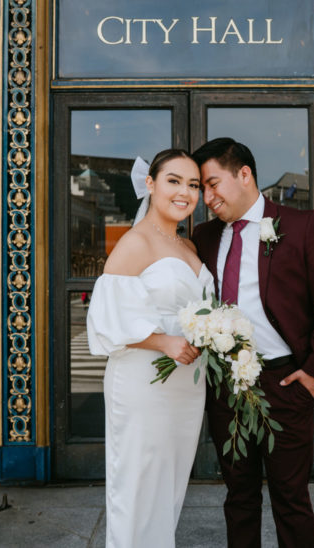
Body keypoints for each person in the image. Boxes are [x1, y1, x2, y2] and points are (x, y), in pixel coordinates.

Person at [191, 138, 314, 548]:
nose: (206, 198)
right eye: (201, 188)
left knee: (291, 498)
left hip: (286, 383)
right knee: (238, 498)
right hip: (227, 390)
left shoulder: (302, 225)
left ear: (244, 175)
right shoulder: (204, 237)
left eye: (212, 184)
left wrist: (313, 374)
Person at [86, 149, 213, 548]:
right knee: (138, 483)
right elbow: (105, 319)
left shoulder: (189, 246)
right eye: (174, 181)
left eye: (193, 185)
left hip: (185, 385)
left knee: (170, 483)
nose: (185, 192)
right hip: (144, 381)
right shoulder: (135, 243)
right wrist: (165, 341)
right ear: (151, 184)